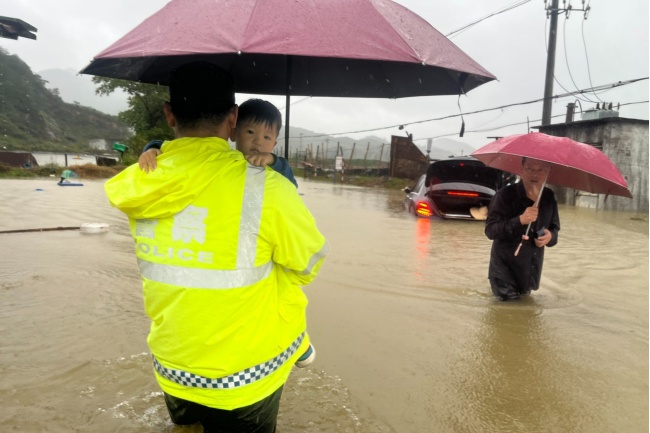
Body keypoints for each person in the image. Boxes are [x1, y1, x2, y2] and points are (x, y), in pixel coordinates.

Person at [104, 61, 328, 432]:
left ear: (169, 114)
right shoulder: (267, 187)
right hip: (244, 377)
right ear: (233, 119)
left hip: (173, 363)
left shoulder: (142, 180)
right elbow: (308, 264)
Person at [139, 98, 297, 188]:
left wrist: (274, 162)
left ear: (274, 144)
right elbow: (186, 149)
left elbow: (292, 187)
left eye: (267, 138)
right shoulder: (223, 157)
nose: (258, 141)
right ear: (233, 133)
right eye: (250, 132)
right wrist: (153, 148)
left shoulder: (274, 167)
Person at [484, 157, 560, 301]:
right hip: (504, 273)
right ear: (521, 169)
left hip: (530, 274)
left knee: (525, 316)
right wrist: (520, 220)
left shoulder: (549, 197)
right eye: (530, 169)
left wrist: (550, 237)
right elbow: (491, 230)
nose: (535, 174)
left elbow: (554, 229)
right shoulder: (504, 196)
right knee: (510, 316)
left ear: (548, 172)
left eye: (541, 170)